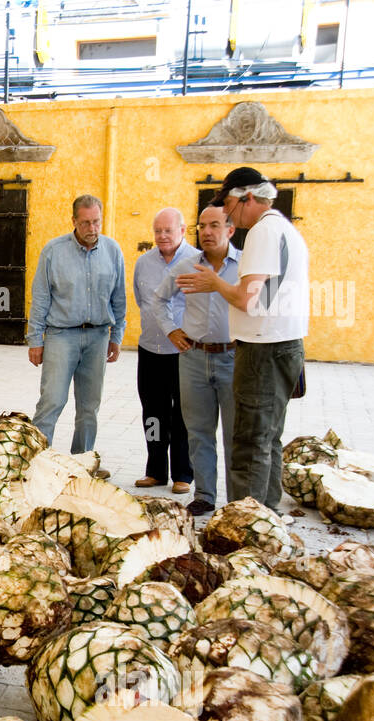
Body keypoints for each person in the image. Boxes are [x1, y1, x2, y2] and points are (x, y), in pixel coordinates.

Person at [176, 167, 308, 511]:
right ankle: (269, 513)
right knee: (269, 437)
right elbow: (266, 296)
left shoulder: (263, 233)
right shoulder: (286, 229)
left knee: (249, 441)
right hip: (285, 343)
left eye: (230, 207)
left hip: (263, 349)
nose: (231, 215)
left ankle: (246, 523)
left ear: (246, 198)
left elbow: (248, 299)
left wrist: (215, 284)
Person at [152, 204, 241, 516]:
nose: (206, 232)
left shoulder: (245, 266)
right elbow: (158, 299)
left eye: (214, 225)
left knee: (234, 434)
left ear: (230, 229)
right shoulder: (187, 265)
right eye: (201, 226)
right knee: (199, 432)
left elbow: (262, 303)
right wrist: (171, 330)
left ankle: (238, 502)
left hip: (233, 358)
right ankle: (204, 495)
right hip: (193, 358)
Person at [28, 194, 126, 473]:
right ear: (73, 221)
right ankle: (36, 464)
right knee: (52, 401)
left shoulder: (112, 251)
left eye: (96, 222)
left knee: (89, 406)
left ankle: (82, 464)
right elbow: (41, 298)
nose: (92, 228)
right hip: (61, 335)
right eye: (85, 222)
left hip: (98, 337)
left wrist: (116, 336)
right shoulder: (53, 251)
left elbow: (119, 299)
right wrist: (36, 340)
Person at [132, 207, 194, 494]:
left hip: (183, 353)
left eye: (168, 230)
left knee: (183, 414)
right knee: (153, 414)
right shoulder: (143, 263)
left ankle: (183, 473)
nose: (162, 236)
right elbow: (141, 300)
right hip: (150, 350)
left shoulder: (196, 261)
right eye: (158, 230)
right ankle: (155, 470)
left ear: (182, 230)